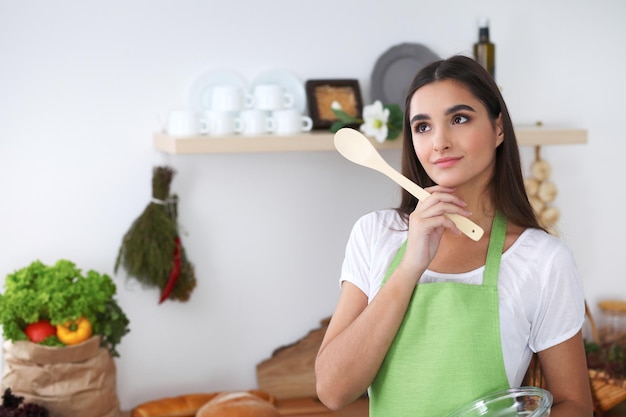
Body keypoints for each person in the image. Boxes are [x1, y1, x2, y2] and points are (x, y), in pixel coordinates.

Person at [315, 55, 593, 416]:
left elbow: (576, 406)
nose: (440, 142)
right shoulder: (375, 234)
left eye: (459, 119)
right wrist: (410, 266)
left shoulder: (542, 259)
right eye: (423, 127)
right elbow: (333, 391)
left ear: (498, 128)